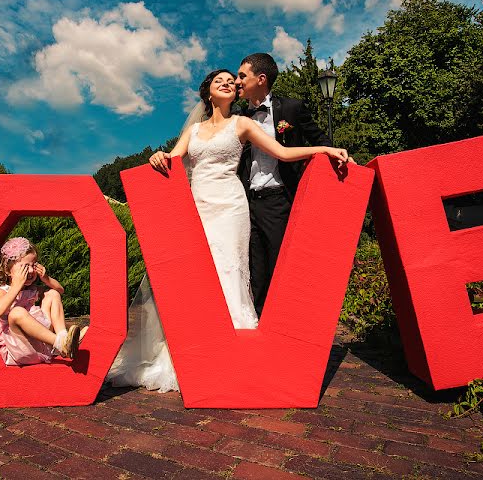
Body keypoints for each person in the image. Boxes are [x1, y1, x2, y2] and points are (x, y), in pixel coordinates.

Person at [107, 69, 350, 392]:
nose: (227, 83)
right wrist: (158, 156)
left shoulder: (243, 124)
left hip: (231, 205)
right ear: (208, 92)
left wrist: (323, 150)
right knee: (198, 273)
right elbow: (173, 160)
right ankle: (191, 349)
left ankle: (234, 350)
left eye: (230, 81)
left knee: (231, 269)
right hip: (199, 204)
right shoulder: (192, 130)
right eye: (219, 80)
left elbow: (282, 153)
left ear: (236, 93)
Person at [236, 53, 336, 316]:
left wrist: (338, 153)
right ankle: (257, 327)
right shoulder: (238, 116)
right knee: (253, 269)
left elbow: (319, 138)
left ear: (261, 79)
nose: (237, 82)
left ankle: (282, 321)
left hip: (279, 199)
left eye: (242, 76)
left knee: (279, 263)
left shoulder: (291, 108)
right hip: (245, 202)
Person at [0, 237, 83, 365]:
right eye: (25, 266)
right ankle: (61, 344)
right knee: (16, 313)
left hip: (41, 346)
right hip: (20, 348)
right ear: (7, 270)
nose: (31, 270)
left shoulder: (31, 289)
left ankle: (63, 338)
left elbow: (60, 290)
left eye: (33, 265)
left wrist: (46, 278)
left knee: (52, 294)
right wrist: (16, 286)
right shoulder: (2, 291)